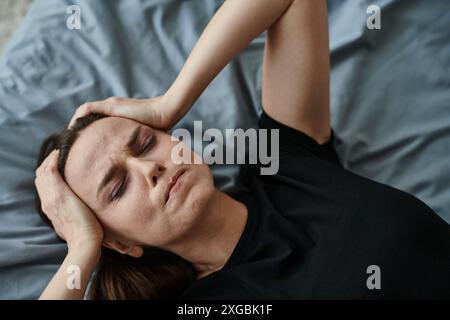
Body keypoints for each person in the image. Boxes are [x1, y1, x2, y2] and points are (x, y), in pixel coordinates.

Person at [35, 0, 450, 300]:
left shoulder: (282, 162)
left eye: (146, 142)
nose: (150, 168)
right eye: (118, 186)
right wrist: (84, 247)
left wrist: (169, 103)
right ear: (121, 244)